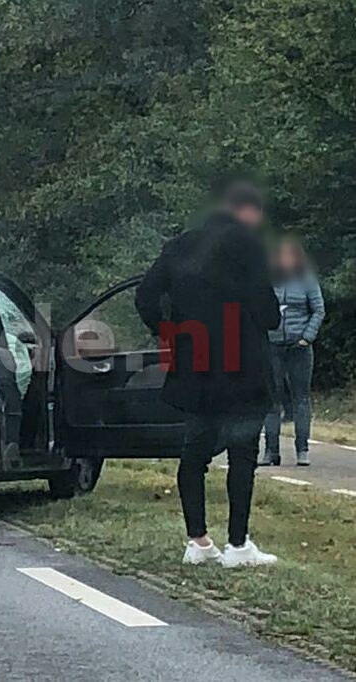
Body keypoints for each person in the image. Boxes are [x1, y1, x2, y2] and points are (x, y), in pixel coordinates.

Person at [135, 182, 282, 568]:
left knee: (195, 452)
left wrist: (172, 332)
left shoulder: (180, 247)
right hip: (244, 369)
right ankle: (238, 545)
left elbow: (145, 297)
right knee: (243, 455)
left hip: (195, 365)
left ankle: (197, 539)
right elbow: (269, 314)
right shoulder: (248, 250)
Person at [260, 237, 325, 467]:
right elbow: (260, 307)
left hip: (299, 347)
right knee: (271, 399)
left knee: (301, 398)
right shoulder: (268, 280)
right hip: (273, 346)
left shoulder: (307, 280)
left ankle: (302, 449)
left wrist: (307, 337)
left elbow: (318, 310)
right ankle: (271, 451)